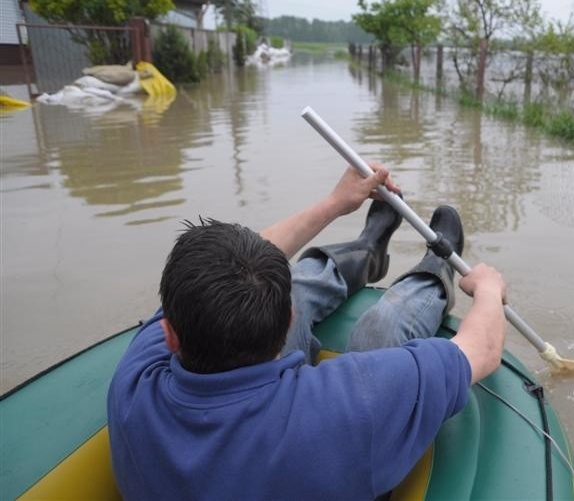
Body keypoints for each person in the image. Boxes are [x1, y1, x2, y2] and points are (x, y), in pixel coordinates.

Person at [107, 163, 507, 500]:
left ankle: (366, 250)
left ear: (170, 334)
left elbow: (239, 266)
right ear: (287, 324)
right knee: (381, 326)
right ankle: (433, 273)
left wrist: (335, 203)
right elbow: (481, 349)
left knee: (282, 283)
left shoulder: (133, 388)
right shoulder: (341, 414)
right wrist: (487, 289)